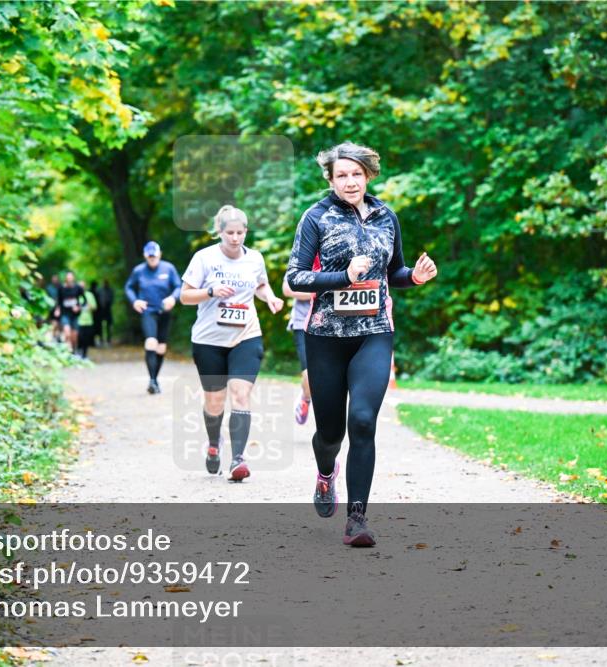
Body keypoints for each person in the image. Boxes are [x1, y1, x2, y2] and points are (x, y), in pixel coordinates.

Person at [285, 142, 437, 546]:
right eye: (341, 175)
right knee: (331, 433)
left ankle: (357, 519)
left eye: (356, 174)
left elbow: (395, 271)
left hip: (374, 333)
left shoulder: (387, 216)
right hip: (326, 338)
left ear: (368, 175)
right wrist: (342, 278)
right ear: (331, 180)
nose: (349, 182)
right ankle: (324, 473)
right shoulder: (315, 217)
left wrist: (415, 277)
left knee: (364, 422)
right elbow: (295, 278)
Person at [180, 205, 284, 482]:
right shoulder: (204, 258)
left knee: (240, 394)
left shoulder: (255, 259)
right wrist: (210, 291)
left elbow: (260, 285)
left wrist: (270, 298)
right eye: (230, 233)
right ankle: (214, 443)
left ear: (246, 232)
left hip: (246, 335)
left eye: (240, 233)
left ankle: (238, 459)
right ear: (220, 232)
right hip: (208, 339)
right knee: (214, 402)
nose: (236, 238)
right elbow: (184, 296)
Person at [125, 242, 182, 393]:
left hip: (164, 311)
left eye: (154, 256)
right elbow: (129, 287)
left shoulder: (168, 268)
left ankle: (155, 380)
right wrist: (135, 301)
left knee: (161, 348)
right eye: (149, 256)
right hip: (148, 311)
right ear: (145, 255)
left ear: (159, 254)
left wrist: (173, 298)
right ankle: (152, 380)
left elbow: (178, 286)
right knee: (151, 342)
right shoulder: (138, 271)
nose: (152, 259)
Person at [281, 276, 314, 425]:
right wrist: (320, 290)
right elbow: (287, 289)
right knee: (309, 373)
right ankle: (305, 399)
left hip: (330, 325)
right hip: (302, 323)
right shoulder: (302, 254)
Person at [54, 271, 86, 354]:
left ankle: (74, 351)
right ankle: (68, 351)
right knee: (67, 333)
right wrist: (57, 309)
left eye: (70, 277)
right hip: (65, 314)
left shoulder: (78, 288)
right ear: (65, 278)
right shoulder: (61, 288)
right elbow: (58, 301)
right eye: (68, 277)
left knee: (74, 336)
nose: (69, 279)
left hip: (74, 315)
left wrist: (78, 307)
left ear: (73, 278)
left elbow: (84, 301)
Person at [77, 280, 97, 358]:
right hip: (78, 321)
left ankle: (84, 355)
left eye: (83, 286)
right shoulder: (76, 295)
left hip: (88, 321)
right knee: (79, 337)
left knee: (86, 339)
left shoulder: (90, 295)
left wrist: (89, 307)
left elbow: (94, 307)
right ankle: (78, 352)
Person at [96, 279, 115, 347]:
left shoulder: (110, 290)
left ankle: (108, 340)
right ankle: (101, 339)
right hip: (101, 310)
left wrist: (107, 304)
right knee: (100, 326)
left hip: (107, 310)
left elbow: (112, 299)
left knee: (108, 326)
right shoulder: (100, 290)